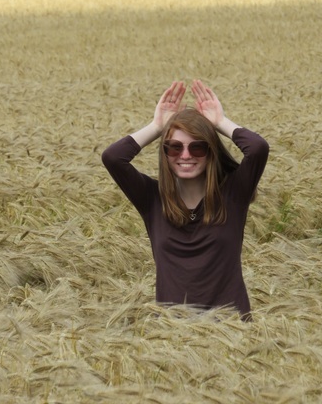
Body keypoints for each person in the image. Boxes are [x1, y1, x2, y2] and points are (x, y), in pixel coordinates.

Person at [101, 80, 269, 320]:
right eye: (174, 147)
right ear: (165, 152)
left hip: (234, 334)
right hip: (173, 341)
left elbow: (258, 148)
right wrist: (158, 126)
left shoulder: (233, 194)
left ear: (211, 151)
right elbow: (113, 157)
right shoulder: (151, 199)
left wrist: (220, 122)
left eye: (198, 147)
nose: (186, 155)